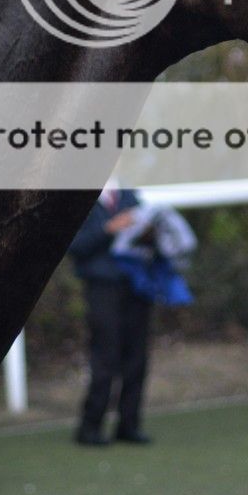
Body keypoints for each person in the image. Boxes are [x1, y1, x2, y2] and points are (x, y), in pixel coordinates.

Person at [69, 184, 153, 446]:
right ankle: (90, 425)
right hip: (102, 286)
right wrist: (109, 228)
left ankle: (129, 424)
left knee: (137, 356)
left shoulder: (130, 195)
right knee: (105, 355)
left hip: (136, 284)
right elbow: (76, 245)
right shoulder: (81, 200)